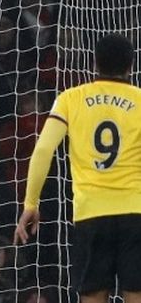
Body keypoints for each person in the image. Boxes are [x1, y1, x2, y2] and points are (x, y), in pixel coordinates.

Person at [14, 33, 141, 303]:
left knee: (92, 295)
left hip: (90, 214)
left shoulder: (71, 99)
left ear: (95, 64)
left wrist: (30, 203)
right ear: (131, 66)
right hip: (136, 212)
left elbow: (43, 150)